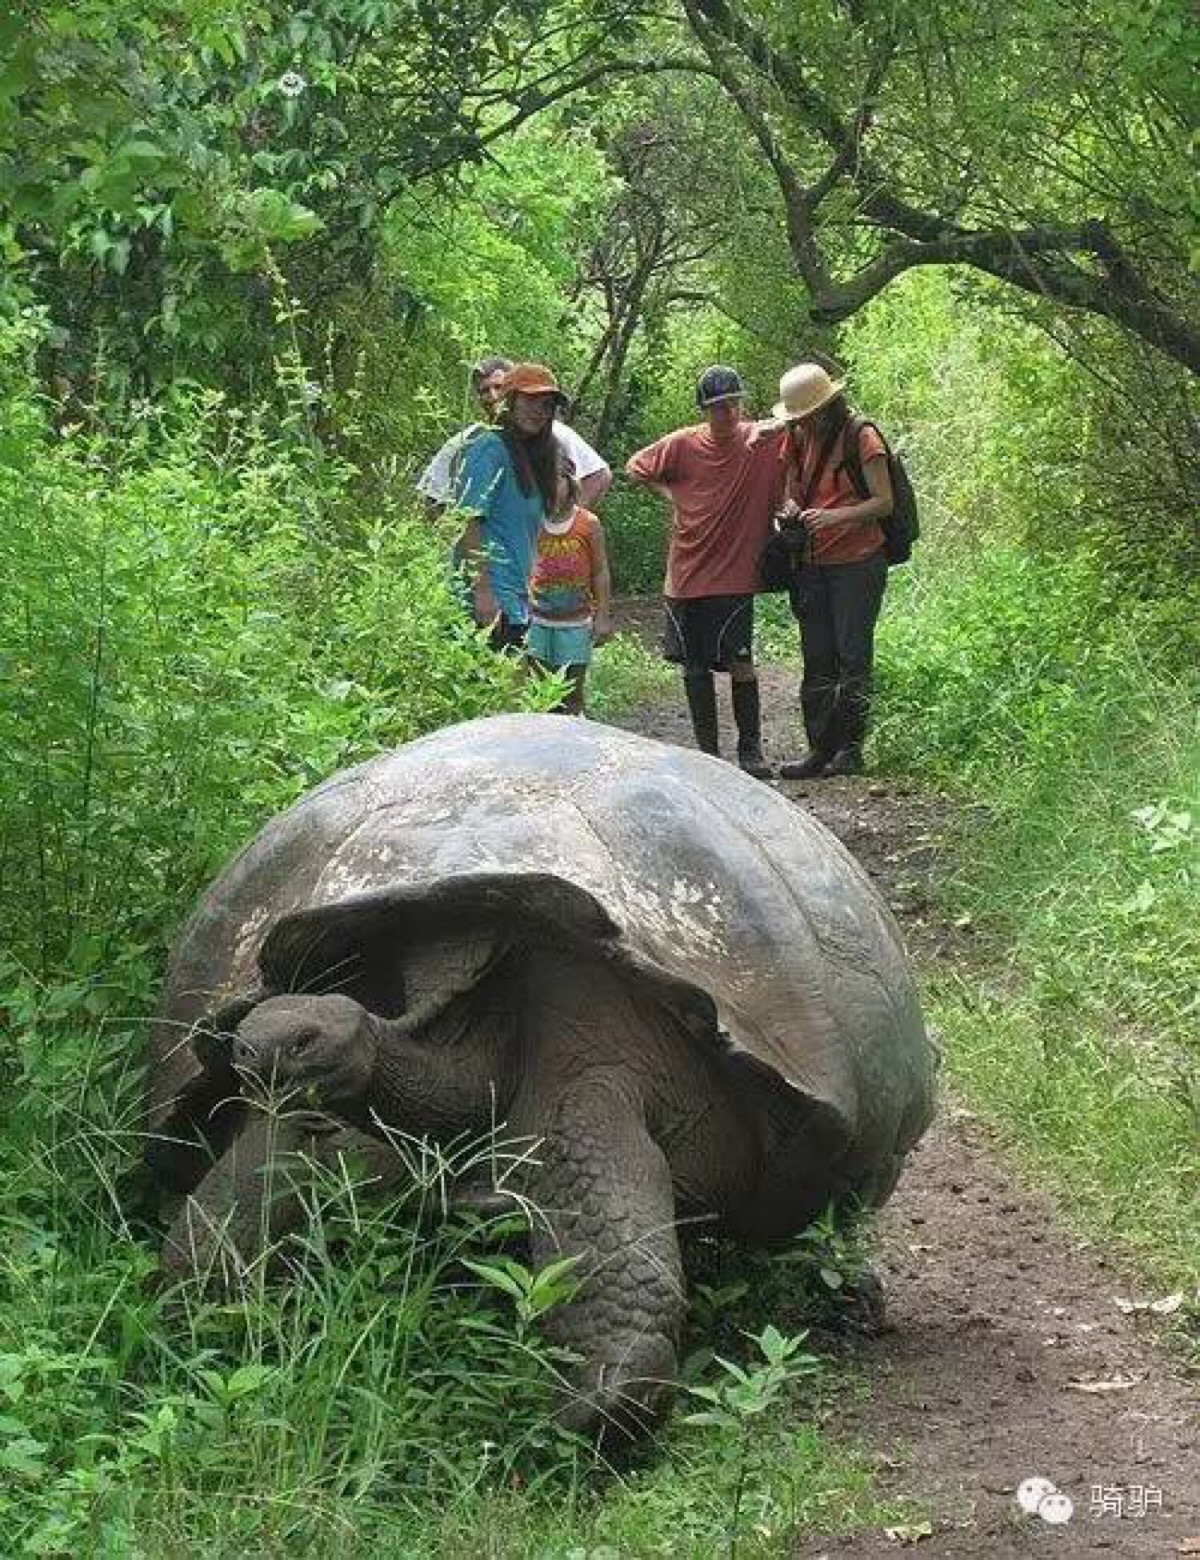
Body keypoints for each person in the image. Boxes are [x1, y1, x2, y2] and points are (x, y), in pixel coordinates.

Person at [624, 366, 780, 777]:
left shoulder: (761, 439)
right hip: (689, 569)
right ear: (703, 411)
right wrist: (674, 495)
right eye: (717, 407)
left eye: (733, 404)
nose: (727, 413)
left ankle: (751, 750)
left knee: (740, 660)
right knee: (694, 665)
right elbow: (635, 468)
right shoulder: (682, 444)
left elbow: (799, 422)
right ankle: (708, 754)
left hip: (735, 571)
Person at [768, 363, 894, 779]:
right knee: (816, 657)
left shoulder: (862, 437)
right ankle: (818, 750)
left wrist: (835, 518)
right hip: (812, 562)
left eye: (804, 415)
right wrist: (789, 509)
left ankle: (849, 751)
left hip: (858, 563)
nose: (800, 422)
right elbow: (792, 486)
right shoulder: (796, 436)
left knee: (852, 656)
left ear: (826, 406)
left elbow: (883, 502)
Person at [453, 361, 566, 647]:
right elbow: (469, 519)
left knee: (515, 687)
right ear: (510, 402)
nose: (538, 411)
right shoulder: (489, 448)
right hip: (489, 601)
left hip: (517, 597)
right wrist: (482, 591)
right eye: (529, 400)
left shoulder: (535, 457)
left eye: (546, 404)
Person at [418, 355, 612, 511]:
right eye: (485, 390)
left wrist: (564, 529)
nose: (493, 396)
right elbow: (432, 494)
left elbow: (599, 474)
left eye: (499, 387)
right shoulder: (468, 440)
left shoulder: (554, 433)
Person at [526, 456, 614, 713]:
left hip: (576, 621)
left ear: (571, 483)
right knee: (539, 690)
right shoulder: (533, 521)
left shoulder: (588, 524)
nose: (551, 489)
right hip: (537, 620)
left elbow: (600, 571)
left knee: (573, 691)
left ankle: (575, 740)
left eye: (556, 481)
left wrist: (603, 616)